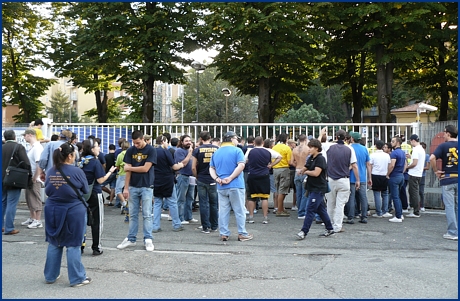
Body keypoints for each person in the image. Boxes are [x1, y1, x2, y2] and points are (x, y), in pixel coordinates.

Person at [43, 142, 92, 287]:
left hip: (52, 208)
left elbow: (47, 189)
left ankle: (50, 276)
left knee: (54, 242)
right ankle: (77, 278)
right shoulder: (77, 171)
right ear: (70, 155)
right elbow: (85, 190)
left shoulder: (51, 170)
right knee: (73, 244)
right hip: (73, 210)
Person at [117, 130, 157, 252]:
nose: (136, 145)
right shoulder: (130, 150)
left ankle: (148, 239)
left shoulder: (151, 150)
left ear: (143, 139)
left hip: (146, 186)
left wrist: (130, 168)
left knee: (146, 214)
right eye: (134, 143)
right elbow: (127, 171)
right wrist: (126, 187)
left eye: (138, 143)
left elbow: (145, 168)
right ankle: (131, 238)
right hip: (133, 186)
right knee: (133, 214)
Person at [209, 131, 253, 242]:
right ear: (231, 139)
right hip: (235, 185)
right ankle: (242, 233)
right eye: (236, 139)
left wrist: (216, 178)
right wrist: (231, 177)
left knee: (223, 211)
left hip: (221, 185)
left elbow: (211, 168)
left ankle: (224, 233)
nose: (237, 141)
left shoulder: (217, 152)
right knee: (239, 210)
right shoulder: (237, 150)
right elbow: (241, 165)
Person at [80, 138, 116, 256]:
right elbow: (100, 180)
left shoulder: (80, 161)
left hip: (81, 195)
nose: (99, 148)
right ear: (92, 149)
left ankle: (80, 245)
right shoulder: (95, 162)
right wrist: (110, 172)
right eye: (97, 146)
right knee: (97, 221)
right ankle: (96, 247)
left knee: (81, 221)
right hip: (95, 193)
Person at [296, 139, 335, 240]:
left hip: (318, 188)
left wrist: (306, 172)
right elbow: (306, 166)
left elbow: (316, 173)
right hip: (312, 187)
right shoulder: (312, 158)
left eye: (311, 147)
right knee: (320, 209)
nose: (309, 149)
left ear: (317, 148)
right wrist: (302, 170)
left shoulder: (320, 159)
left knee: (310, 209)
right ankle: (330, 228)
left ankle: (304, 231)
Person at [325, 129, 359, 233]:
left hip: (330, 179)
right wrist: (358, 179)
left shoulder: (329, 148)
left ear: (335, 137)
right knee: (340, 205)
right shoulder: (349, 149)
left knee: (330, 204)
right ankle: (337, 226)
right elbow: (354, 165)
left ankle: (329, 224)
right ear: (346, 138)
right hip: (343, 180)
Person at [430, 125, 458, 240]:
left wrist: (436, 171)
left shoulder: (443, 146)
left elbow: (432, 158)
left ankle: (452, 232)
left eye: (444, 132)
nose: (443, 134)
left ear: (448, 134)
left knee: (450, 206)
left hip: (448, 179)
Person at [244, 136, 281, 224]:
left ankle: (251, 217)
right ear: (263, 143)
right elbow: (280, 157)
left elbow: (244, 161)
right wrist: (271, 165)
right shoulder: (268, 151)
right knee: (264, 197)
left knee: (251, 197)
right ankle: (265, 217)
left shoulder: (250, 151)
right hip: (264, 175)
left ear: (254, 143)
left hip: (252, 175)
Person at [2, 130, 32, 235]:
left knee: (2, 202)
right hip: (14, 179)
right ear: (14, 137)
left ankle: (1, 226)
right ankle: (9, 228)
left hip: (2, 179)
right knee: (12, 203)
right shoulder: (19, 147)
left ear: (5, 138)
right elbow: (26, 163)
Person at [152, 136, 184, 233]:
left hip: (156, 179)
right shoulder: (165, 152)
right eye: (167, 142)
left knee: (157, 203)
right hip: (167, 180)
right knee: (172, 202)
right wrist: (181, 165)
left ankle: (155, 226)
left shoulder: (152, 151)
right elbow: (174, 166)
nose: (168, 144)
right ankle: (176, 224)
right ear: (163, 141)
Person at [192, 131, 219, 233]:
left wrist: (197, 176)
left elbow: (193, 167)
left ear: (200, 139)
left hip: (202, 179)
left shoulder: (197, 150)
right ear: (210, 137)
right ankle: (214, 226)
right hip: (213, 178)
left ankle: (205, 227)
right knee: (214, 203)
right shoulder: (216, 149)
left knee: (203, 203)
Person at [345, 132, 371, 224]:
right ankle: (364, 217)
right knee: (363, 197)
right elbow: (368, 164)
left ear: (352, 138)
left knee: (351, 197)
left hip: (351, 176)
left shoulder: (349, 148)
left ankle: (350, 217)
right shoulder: (365, 149)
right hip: (362, 176)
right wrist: (370, 177)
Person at [22, 129, 45, 229]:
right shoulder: (33, 147)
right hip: (31, 175)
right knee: (30, 197)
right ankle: (33, 218)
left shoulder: (37, 148)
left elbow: (38, 163)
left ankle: (38, 220)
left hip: (35, 176)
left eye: (25, 135)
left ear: (30, 135)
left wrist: (36, 177)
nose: (24, 137)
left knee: (35, 197)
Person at [174, 135, 197, 224]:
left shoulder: (189, 151)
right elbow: (182, 163)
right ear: (182, 142)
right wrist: (190, 153)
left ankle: (189, 217)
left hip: (190, 177)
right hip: (182, 176)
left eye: (190, 141)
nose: (189, 142)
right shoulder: (179, 151)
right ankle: (180, 218)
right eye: (186, 141)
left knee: (190, 198)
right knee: (181, 198)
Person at [290, 135, 312, 220]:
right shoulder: (308, 149)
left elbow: (291, 162)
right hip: (304, 171)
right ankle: (302, 212)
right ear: (306, 140)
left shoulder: (294, 149)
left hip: (297, 171)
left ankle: (299, 210)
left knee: (298, 193)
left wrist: (297, 166)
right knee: (304, 193)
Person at [369, 140, 392, 218]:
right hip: (384, 175)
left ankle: (378, 212)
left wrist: (370, 177)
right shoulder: (387, 155)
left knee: (376, 194)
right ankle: (385, 211)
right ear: (383, 147)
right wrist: (387, 174)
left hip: (375, 175)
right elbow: (389, 165)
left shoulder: (372, 155)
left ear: (375, 146)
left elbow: (370, 166)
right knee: (385, 193)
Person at [387, 136, 407, 223]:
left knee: (395, 197)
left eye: (393, 141)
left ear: (397, 142)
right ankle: (400, 214)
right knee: (398, 196)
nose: (391, 143)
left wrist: (387, 174)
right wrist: (402, 171)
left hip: (394, 176)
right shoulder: (402, 152)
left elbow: (392, 165)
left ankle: (398, 216)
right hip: (401, 176)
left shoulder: (394, 153)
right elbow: (406, 164)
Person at [405, 134, 426, 218]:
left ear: (413, 140)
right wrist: (411, 156)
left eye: (410, 141)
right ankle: (416, 210)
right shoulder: (421, 149)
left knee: (413, 193)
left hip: (414, 173)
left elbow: (414, 163)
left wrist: (407, 167)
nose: (410, 143)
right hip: (419, 173)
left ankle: (415, 211)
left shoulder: (416, 149)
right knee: (415, 192)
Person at [272, 133, 292, 216]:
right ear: (285, 139)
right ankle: (280, 210)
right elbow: (289, 161)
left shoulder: (274, 147)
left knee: (277, 189)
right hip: (284, 169)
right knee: (282, 190)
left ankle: (280, 207)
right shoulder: (287, 148)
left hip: (275, 169)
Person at [115, 140, 130, 218]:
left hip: (122, 174)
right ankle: (127, 203)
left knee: (118, 190)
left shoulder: (120, 155)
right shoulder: (131, 154)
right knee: (128, 190)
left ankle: (124, 203)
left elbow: (117, 165)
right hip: (130, 174)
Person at [287, 139, 297, 211]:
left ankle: (278, 206)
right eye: (294, 144)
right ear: (291, 144)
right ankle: (294, 204)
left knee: (284, 189)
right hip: (293, 170)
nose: (295, 145)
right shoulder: (292, 151)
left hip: (287, 169)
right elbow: (291, 161)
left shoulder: (286, 149)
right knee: (295, 189)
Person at [419, 142, 430, 212]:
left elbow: (427, 167)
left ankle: (422, 205)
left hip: (422, 175)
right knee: (414, 191)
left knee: (421, 191)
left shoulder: (427, 156)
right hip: (416, 174)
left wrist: (420, 168)